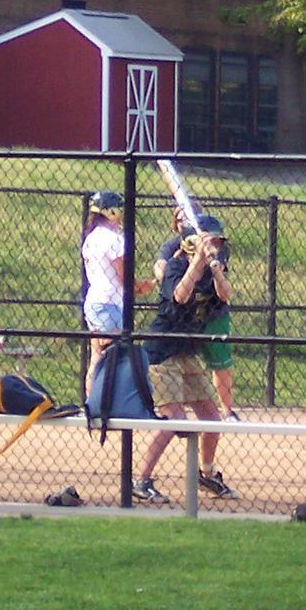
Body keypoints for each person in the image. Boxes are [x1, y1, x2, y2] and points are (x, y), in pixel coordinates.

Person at [133, 214, 237, 503]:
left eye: (217, 242)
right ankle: (141, 481)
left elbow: (226, 296)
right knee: (173, 418)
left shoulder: (215, 270)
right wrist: (197, 263)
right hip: (162, 351)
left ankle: (206, 473)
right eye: (209, 242)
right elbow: (180, 296)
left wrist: (215, 271)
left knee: (211, 417)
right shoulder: (176, 266)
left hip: (187, 351)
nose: (215, 247)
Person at [80, 190, 152, 395]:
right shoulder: (113, 239)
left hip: (96, 301)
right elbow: (124, 277)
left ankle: (93, 403)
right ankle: (105, 403)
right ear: (111, 211)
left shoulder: (91, 237)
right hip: (109, 304)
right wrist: (141, 287)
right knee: (111, 355)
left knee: (97, 356)